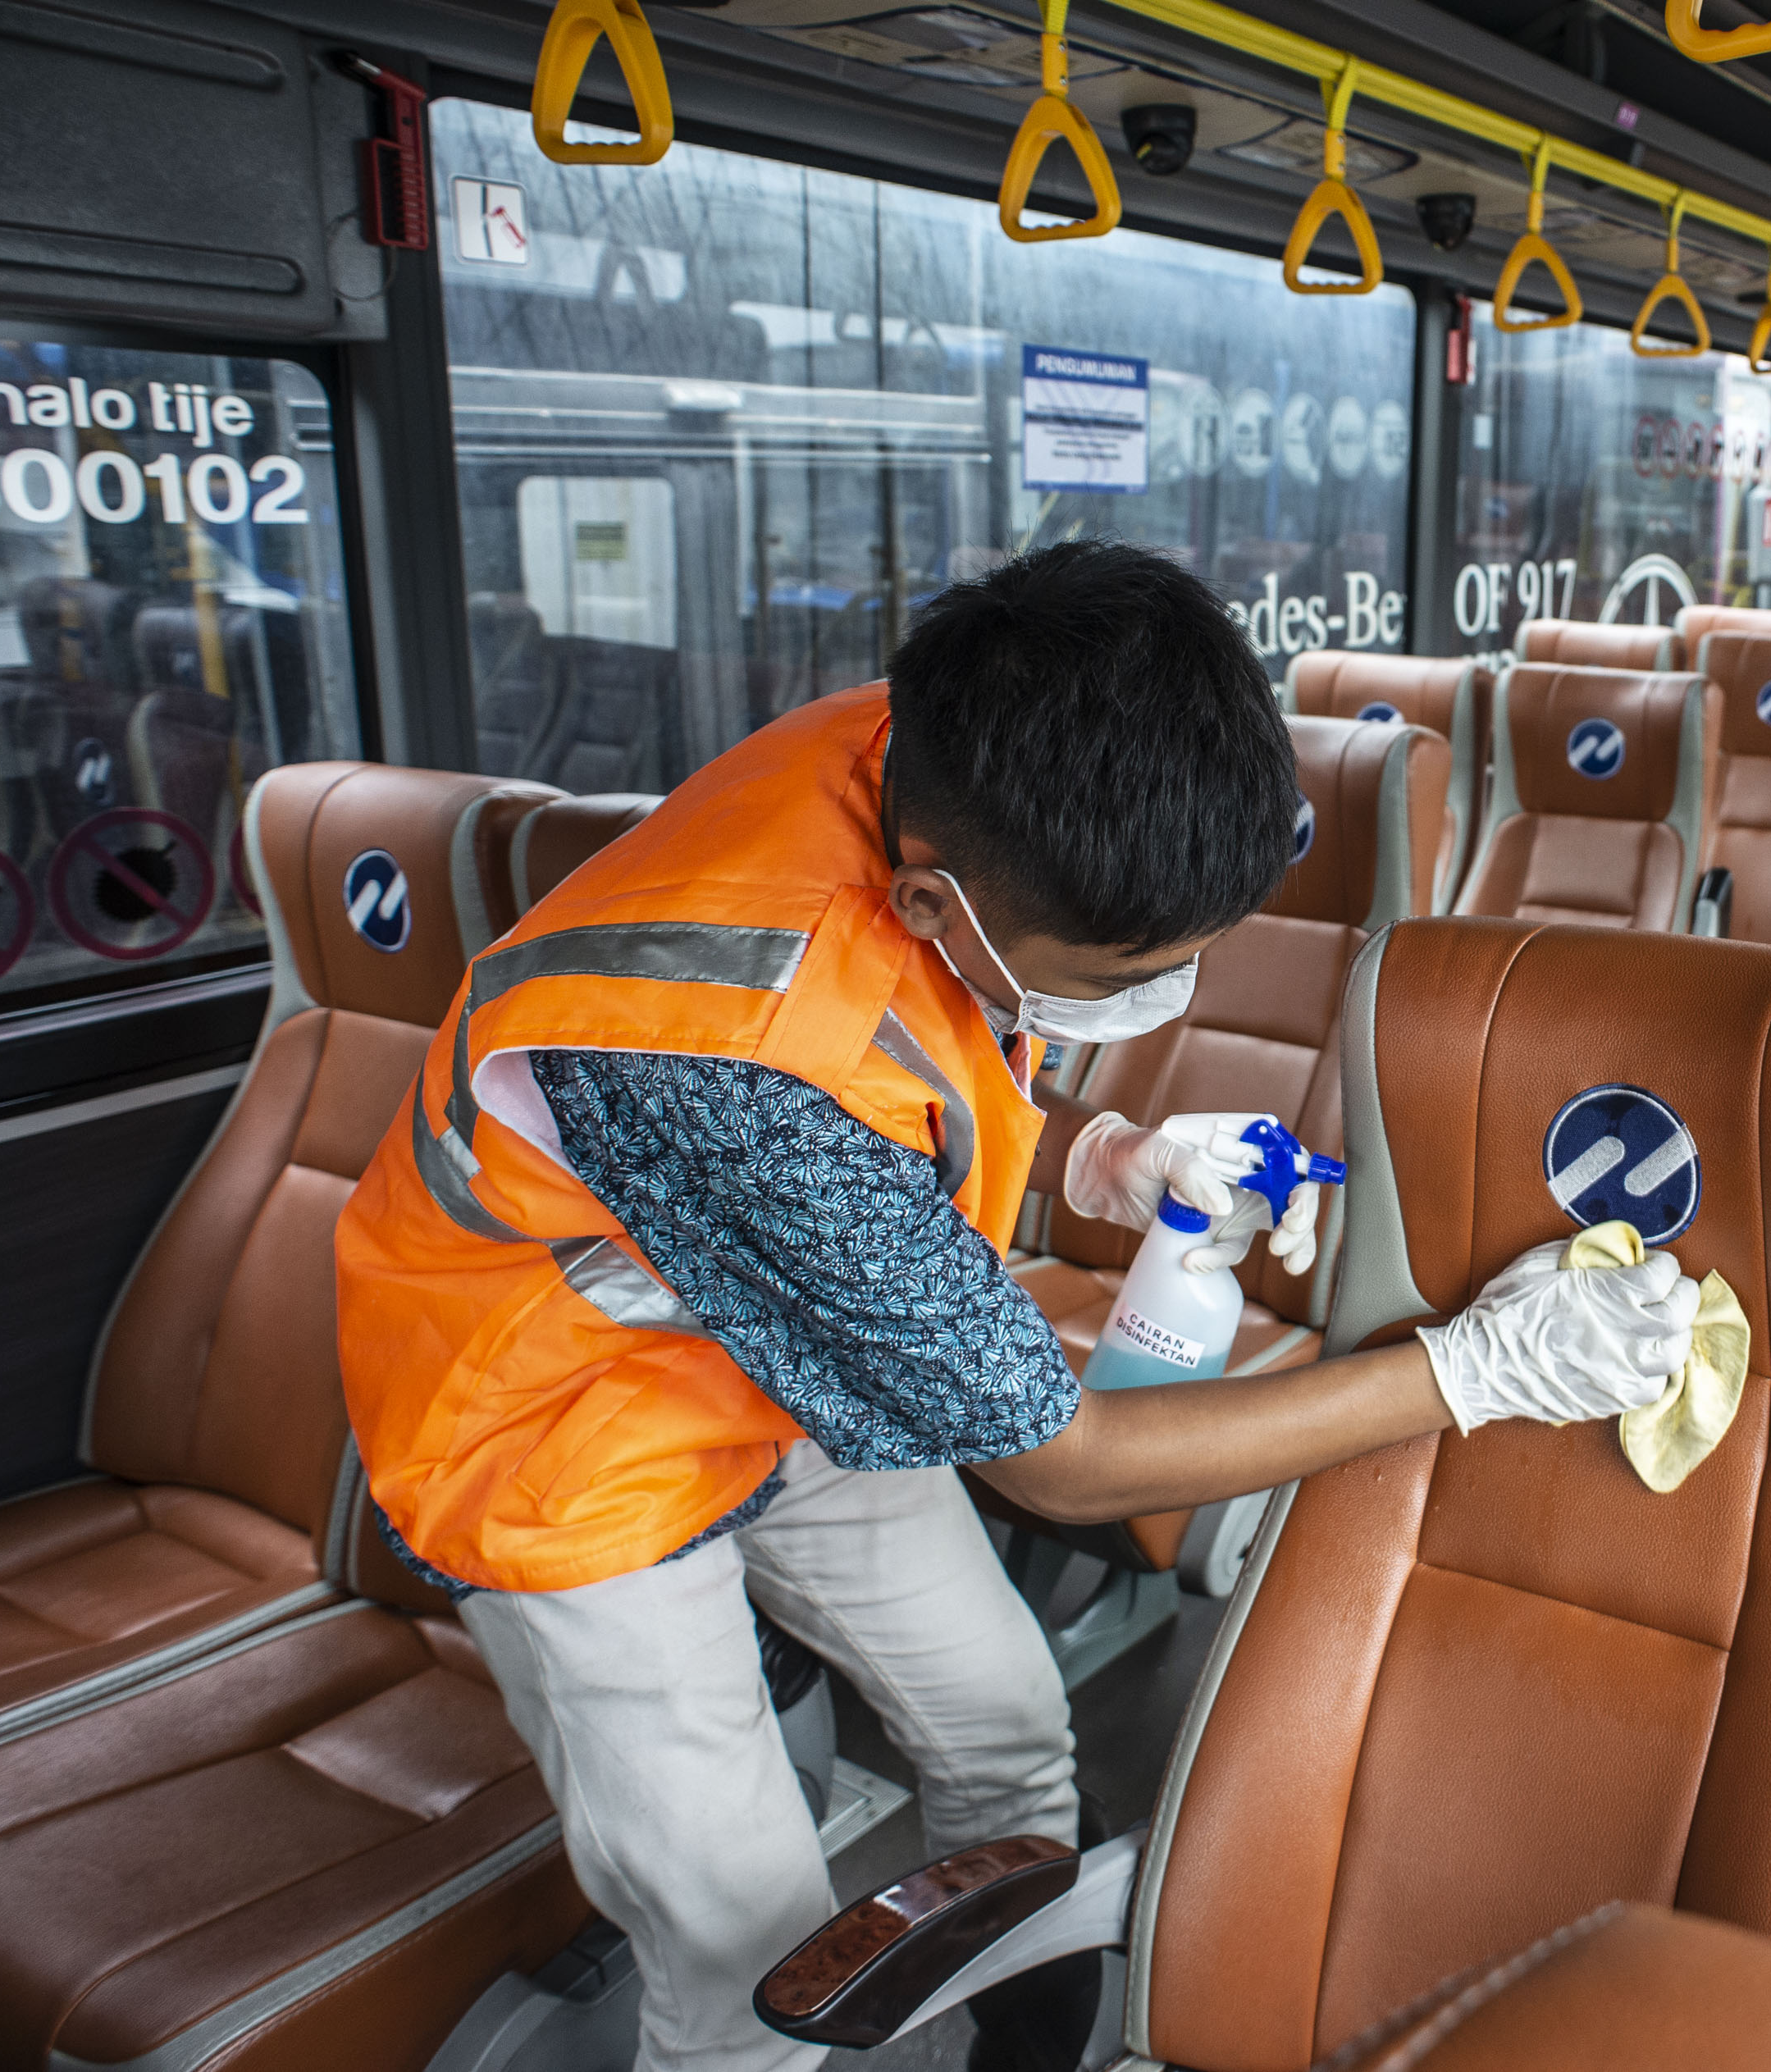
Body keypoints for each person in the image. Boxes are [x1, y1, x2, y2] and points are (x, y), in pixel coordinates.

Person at [335, 541, 1699, 2072]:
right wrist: (1477, 1369)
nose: (1162, 1001)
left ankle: (1022, 2038)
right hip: (554, 1433)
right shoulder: (728, 1052)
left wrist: (1108, 1154)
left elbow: (935, 1048)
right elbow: (1062, 1464)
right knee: (747, 1962)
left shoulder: (940, 748)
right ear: (934, 894)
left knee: (1002, 1718)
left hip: (772, 1351)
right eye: (1128, 976)